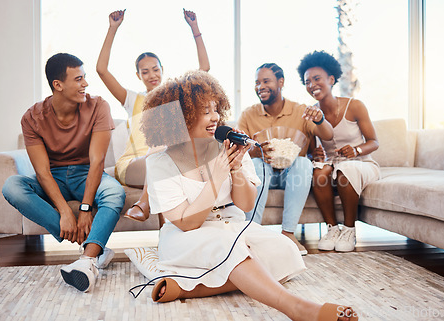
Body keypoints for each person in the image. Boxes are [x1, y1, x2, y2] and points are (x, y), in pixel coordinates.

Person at [140, 70, 358, 321]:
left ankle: (188, 288)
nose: (215, 117)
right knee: (228, 247)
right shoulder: (159, 162)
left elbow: (245, 204)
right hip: (186, 236)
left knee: (285, 251)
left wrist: (235, 169)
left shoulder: (228, 146)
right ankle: (298, 308)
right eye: (205, 111)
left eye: (215, 109)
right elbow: (187, 223)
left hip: (231, 226)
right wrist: (218, 176)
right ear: (182, 116)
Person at [2, 53, 126, 292]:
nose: (85, 84)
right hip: (54, 177)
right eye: (78, 79)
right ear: (58, 85)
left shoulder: (99, 106)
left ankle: (87, 261)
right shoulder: (32, 117)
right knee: (12, 186)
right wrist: (64, 212)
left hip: (86, 173)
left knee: (114, 192)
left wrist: (85, 208)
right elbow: (42, 171)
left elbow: (97, 160)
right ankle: (95, 247)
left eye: (85, 77)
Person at [96, 9, 210, 222]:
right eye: (145, 71)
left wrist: (195, 29)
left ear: (162, 69)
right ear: (138, 75)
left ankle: (164, 236)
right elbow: (101, 70)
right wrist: (113, 29)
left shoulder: (174, 96)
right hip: (134, 166)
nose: (151, 75)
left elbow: (204, 69)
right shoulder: (132, 99)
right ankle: (144, 201)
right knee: (162, 160)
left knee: (167, 169)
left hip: (166, 162)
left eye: (155, 69)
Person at [237, 63, 334, 255]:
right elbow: (240, 149)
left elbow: (328, 135)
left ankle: (288, 233)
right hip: (262, 174)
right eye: (257, 82)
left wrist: (319, 119)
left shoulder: (300, 111)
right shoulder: (249, 114)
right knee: (256, 164)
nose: (260, 86)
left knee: (304, 162)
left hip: (293, 176)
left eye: (266, 81)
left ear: (280, 82)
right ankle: (250, 232)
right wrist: (254, 151)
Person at [297, 50, 380, 252]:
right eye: (307, 81)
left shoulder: (355, 106)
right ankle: (332, 228)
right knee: (318, 172)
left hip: (361, 164)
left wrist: (357, 149)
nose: (312, 85)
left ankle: (349, 229)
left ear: (331, 79)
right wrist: (311, 155)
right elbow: (309, 149)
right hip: (331, 165)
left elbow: (374, 142)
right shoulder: (311, 113)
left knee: (347, 169)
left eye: (317, 79)